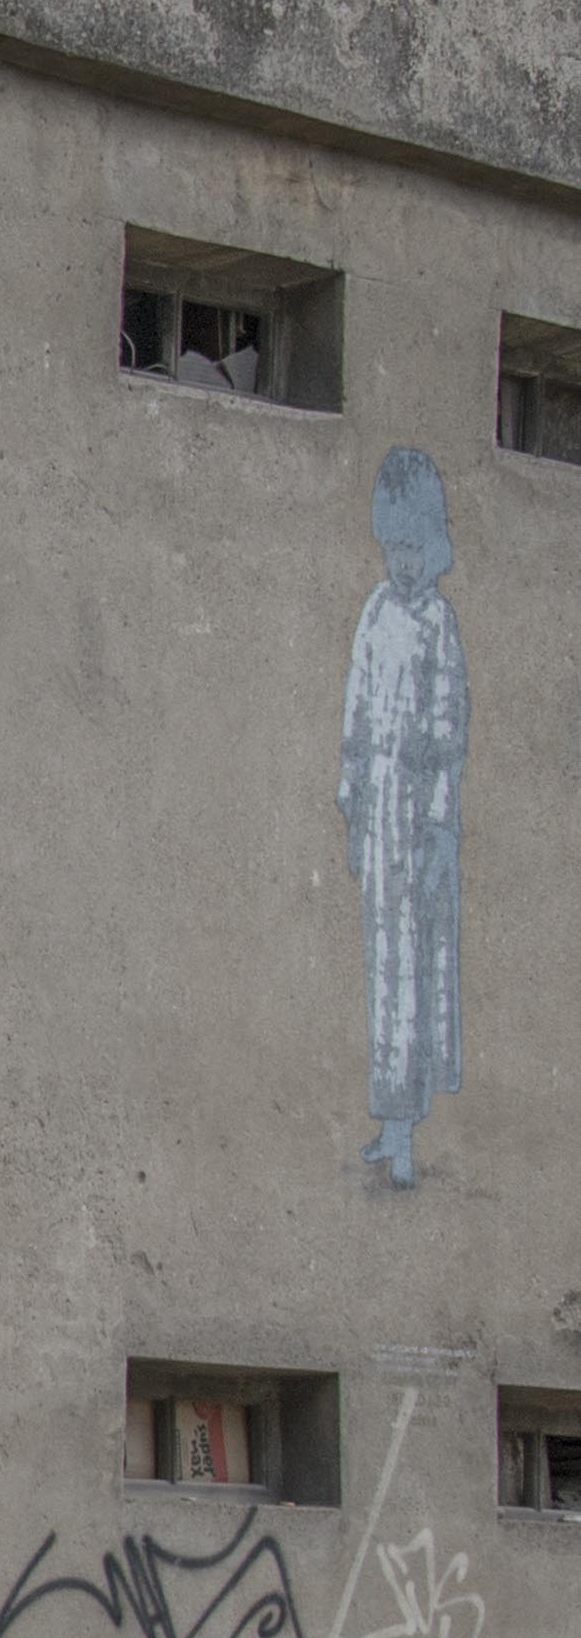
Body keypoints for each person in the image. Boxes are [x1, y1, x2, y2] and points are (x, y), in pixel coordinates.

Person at [339, 444, 469, 1190]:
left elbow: (449, 733)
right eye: (394, 548)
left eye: (415, 548)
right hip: (381, 816)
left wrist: (440, 827)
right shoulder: (376, 613)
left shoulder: (438, 624)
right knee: (382, 969)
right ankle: (386, 1124)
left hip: (420, 823)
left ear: (435, 544)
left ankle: (406, 1128)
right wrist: (352, 793)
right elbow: (357, 711)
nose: (404, 563)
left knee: (415, 974)